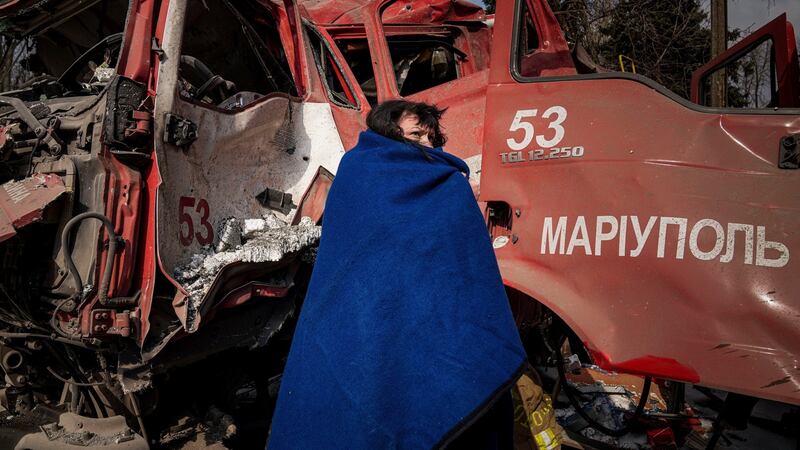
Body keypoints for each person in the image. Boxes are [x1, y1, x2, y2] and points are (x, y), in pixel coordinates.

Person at [267, 100, 527, 449]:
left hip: (431, 324)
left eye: (432, 137)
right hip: (363, 319)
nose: (427, 144)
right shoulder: (358, 172)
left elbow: (462, 267)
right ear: (389, 132)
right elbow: (354, 254)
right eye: (416, 134)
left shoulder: (447, 184)